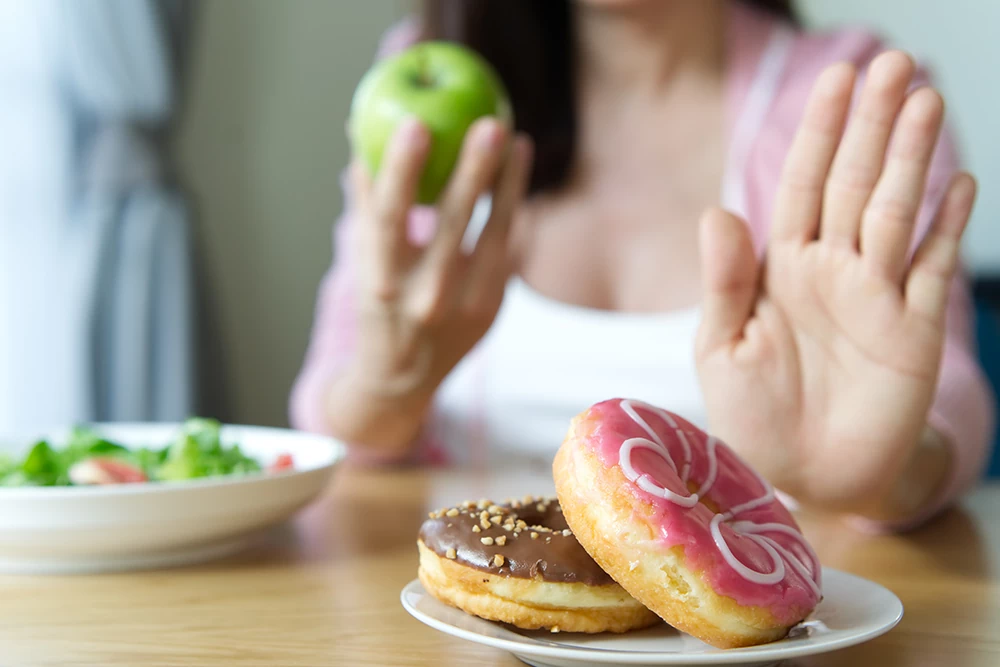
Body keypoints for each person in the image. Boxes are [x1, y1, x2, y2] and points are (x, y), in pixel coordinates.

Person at [291, 0, 995, 528]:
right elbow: (332, 402)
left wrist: (872, 476)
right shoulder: (426, 75)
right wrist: (387, 389)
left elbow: (941, 401)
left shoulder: (854, 104)